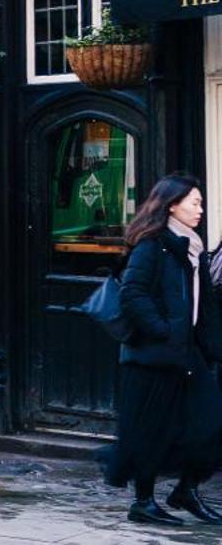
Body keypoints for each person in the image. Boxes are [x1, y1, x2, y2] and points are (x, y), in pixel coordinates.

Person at [101, 174, 222, 525]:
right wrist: (165, 330)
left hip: (187, 352)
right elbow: (133, 294)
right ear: (172, 204)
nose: (201, 209)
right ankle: (143, 502)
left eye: (201, 202)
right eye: (195, 202)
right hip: (153, 355)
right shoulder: (152, 245)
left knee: (211, 423)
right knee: (150, 429)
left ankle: (185, 489)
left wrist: (210, 345)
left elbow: (203, 303)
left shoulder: (192, 245)